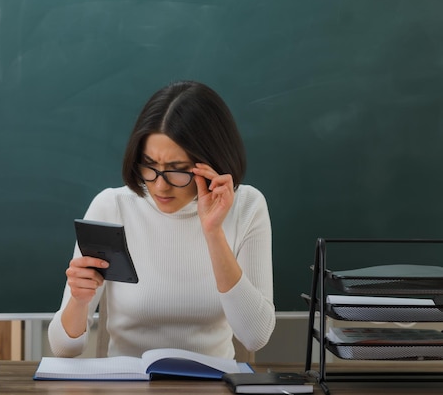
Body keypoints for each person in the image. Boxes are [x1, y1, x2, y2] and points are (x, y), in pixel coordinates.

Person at [48, 80, 275, 359]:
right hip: (127, 387)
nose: (159, 186)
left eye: (177, 170)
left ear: (212, 163)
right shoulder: (112, 207)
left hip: (211, 387)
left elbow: (255, 337)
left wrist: (213, 232)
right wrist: (79, 303)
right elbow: (62, 348)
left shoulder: (247, 207)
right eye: (150, 166)